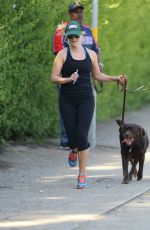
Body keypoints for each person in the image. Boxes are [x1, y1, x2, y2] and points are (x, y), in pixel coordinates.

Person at [51, 20, 126, 189]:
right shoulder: (62, 55)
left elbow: (97, 76)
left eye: (76, 35)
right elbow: (53, 78)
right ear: (67, 37)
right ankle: (73, 149)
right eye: (70, 36)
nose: (74, 38)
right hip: (67, 99)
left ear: (81, 35)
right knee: (72, 137)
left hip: (86, 99)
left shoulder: (91, 54)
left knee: (82, 135)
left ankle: (82, 174)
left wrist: (115, 78)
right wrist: (67, 79)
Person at [53, 2, 103, 150]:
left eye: (81, 11)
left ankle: (80, 143)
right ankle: (66, 141)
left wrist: (99, 67)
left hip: (86, 77)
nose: (79, 14)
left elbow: (96, 49)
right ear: (70, 14)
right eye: (76, 11)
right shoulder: (62, 30)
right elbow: (59, 53)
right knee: (67, 112)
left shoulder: (88, 30)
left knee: (84, 112)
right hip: (66, 76)